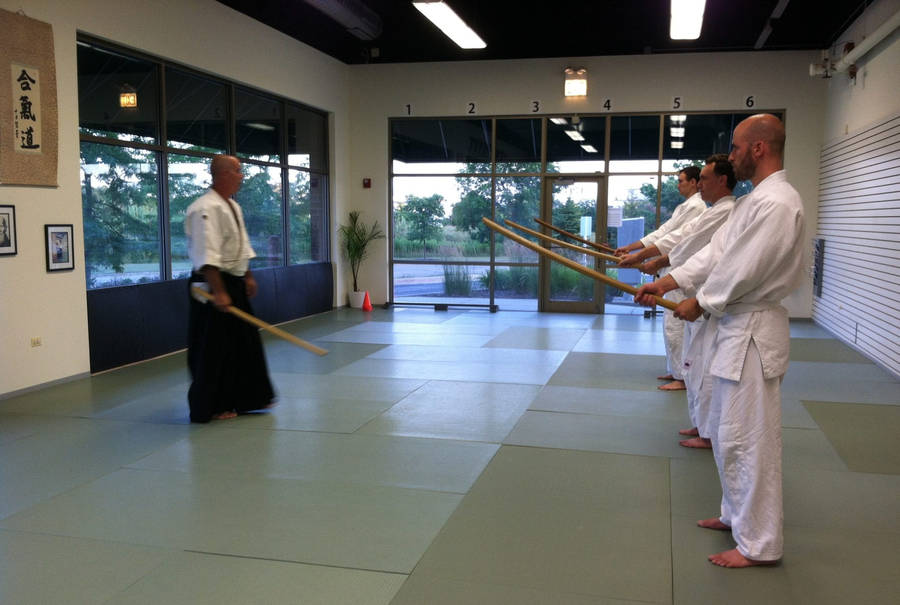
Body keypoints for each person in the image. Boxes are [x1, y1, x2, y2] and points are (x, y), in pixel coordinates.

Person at [634, 114, 805, 568]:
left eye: (734, 148)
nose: (729, 157)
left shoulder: (778, 204)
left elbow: (743, 268)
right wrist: (669, 282)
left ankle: (760, 544)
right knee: (731, 436)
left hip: (752, 333)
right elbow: (715, 253)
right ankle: (735, 516)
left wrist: (702, 302)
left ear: (758, 149)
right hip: (736, 330)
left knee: (752, 440)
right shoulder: (754, 203)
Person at [624, 154, 737, 448]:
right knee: (694, 359)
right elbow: (678, 238)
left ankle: (708, 431)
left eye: (704, 179)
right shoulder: (710, 210)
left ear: (722, 181)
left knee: (703, 365)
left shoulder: (723, 211)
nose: (700, 184)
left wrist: (650, 262)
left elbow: (687, 246)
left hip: (703, 294)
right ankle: (701, 425)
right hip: (690, 287)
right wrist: (643, 256)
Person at [185, 154, 275, 423]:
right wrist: (219, 291)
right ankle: (212, 405)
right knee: (214, 350)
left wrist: (247, 275)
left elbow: (242, 244)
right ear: (223, 174)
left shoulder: (233, 206)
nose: (242, 175)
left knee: (245, 342)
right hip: (211, 286)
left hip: (232, 282)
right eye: (238, 170)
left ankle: (248, 399)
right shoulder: (204, 208)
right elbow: (206, 253)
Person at [616, 166, 706, 391]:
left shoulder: (697, 207)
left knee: (675, 325)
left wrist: (643, 256)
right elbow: (664, 233)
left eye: (682, 181)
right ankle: (676, 369)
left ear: (694, 182)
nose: (678, 185)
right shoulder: (685, 207)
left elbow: (675, 240)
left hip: (679, 271)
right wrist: (633, 247)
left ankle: (682, 376)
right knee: (671, 324)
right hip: (672, 268)